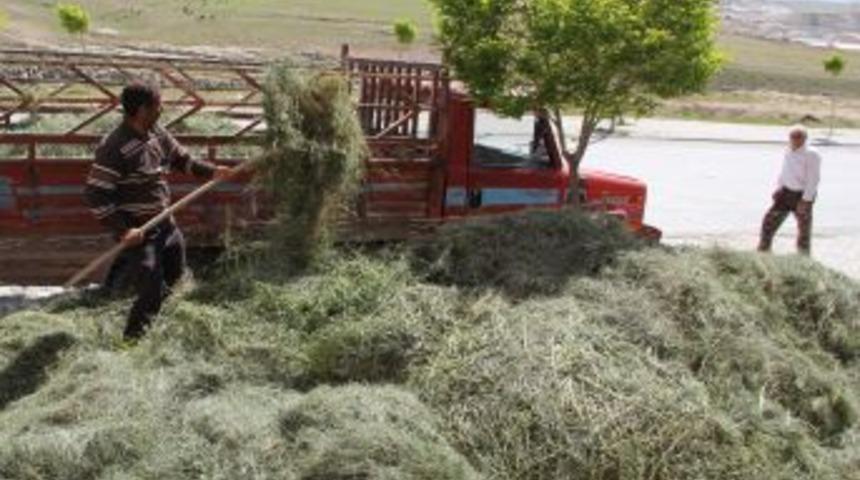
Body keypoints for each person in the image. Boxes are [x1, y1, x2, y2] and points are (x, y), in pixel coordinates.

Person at [84, 81, 231, 341]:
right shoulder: (114, 147)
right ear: (142, 110)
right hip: (140, 231)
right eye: (158, 106)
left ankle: (157, 325)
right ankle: (131, 341)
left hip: (166, 224)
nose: (162, 110)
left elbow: (181, 161)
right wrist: (123, 230)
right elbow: (96, 194)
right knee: (150, 288)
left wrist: (212, 172)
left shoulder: (157, 134)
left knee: (175, 276)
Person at [758, 125, 822, 256]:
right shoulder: (788, 149)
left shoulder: (812, 154)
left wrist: (806, 200)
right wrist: (779, 188)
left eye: (798, 137)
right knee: (768, 222)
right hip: (785, 193)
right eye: (792, 137)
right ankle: (763, 251)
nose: (794, 140)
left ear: (804, 139)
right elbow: (785, 170)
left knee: (804, 231)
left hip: (801, 196)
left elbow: (813, 179)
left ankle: (803, 258)